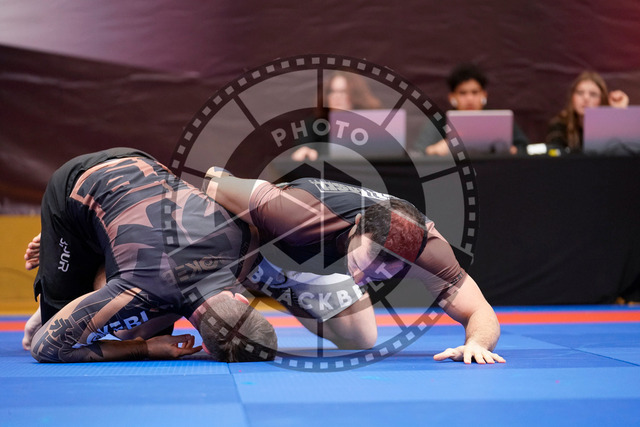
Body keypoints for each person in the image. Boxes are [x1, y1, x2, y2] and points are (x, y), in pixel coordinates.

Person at [205, 170, 505, 364]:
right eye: (361, 264)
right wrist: (232, 258)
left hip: (304, 262)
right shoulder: (293, 210)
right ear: (358, 224)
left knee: (361, 336)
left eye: (379, 275)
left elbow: (479, 311)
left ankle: (271, 283)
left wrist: (477, 344)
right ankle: (250, 271)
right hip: (257, 239)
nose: (362, 278)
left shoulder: (430, 253)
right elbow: (213, 179)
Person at [24, 148, 279, 363]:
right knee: (129, 331)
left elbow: (218, 176)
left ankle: (86, 242)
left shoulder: (246, 243)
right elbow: (44, 347)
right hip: (74, 186)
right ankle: (71, 244)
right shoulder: (138, 293)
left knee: (143, 322)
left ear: (242, 300)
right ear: (207, 347)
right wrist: (143, 348)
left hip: (140, 161)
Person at [414, 63, 530, 156]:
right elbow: (418, 154)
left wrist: (513, 151)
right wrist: (433, 151)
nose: (469, 99)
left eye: (475, 92)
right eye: (463, 93)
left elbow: (524, 149)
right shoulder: (439, 122)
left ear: (484, 95)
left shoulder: (499, 121)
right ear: (452, 97)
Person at [290, 71, 382, 161]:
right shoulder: (316, 123)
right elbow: (304, 147)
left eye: (343, 91)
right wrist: (305, 151)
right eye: (332, 91)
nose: (337, 96)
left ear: (356, 94)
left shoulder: (371, 123)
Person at [545, 71, 629, 152]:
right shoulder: (559, 124)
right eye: (580, 93)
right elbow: (555, 154)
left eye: (593, 94)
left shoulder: (609, 127)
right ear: (572, 98)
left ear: (602, 100)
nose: (586, 98)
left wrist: (619, 113)